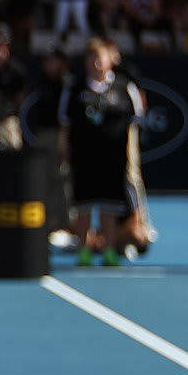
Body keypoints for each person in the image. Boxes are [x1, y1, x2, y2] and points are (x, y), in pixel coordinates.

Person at [59, 38, 145, 266]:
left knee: (109, 207)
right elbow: (65, 123)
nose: (97, 63)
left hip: (113, 159)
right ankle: (84, 250)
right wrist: (65, 152)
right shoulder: (75, 88)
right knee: (84, 207)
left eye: (101, 58)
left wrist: (129, 157)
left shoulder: (125, 87)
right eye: (92, 59)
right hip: (84, 158)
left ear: (110, 61)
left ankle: (108, 249)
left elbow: (134, 122)